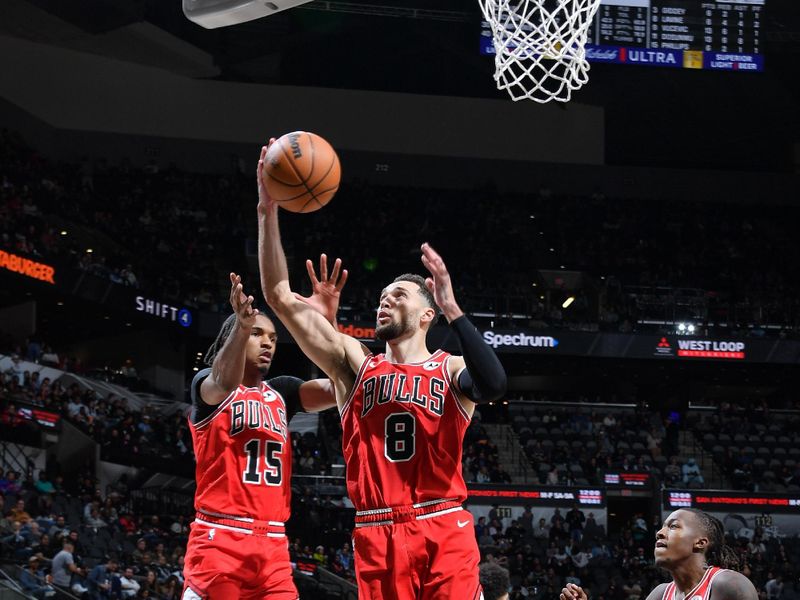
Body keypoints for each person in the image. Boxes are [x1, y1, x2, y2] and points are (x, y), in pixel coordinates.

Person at [257, 141, 507, 599]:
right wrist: (267, 210)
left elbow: (493, 383)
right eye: (382, 296)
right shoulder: (355, 365)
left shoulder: (450, 369)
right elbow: (277, 294)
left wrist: (453, 306)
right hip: (377, 529)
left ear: (427, 314)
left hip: (441, 522)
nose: (385, 299)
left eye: (400, 295)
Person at [182, 268, 343, 600]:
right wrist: (241, 329)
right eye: (258, 334)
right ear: (234, 335)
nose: (268, 342)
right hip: (220, 537)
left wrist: (327, 328)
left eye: (271, 337)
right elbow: (223, 384)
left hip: (272, 545)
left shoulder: (282, 392)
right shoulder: (206, 384)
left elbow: (341, 387)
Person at [560, 508, 758, 600]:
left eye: (673, 526)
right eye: (662, 527)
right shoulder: (661, 593)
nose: (660, 533)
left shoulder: (729, 585)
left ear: (700, 542)